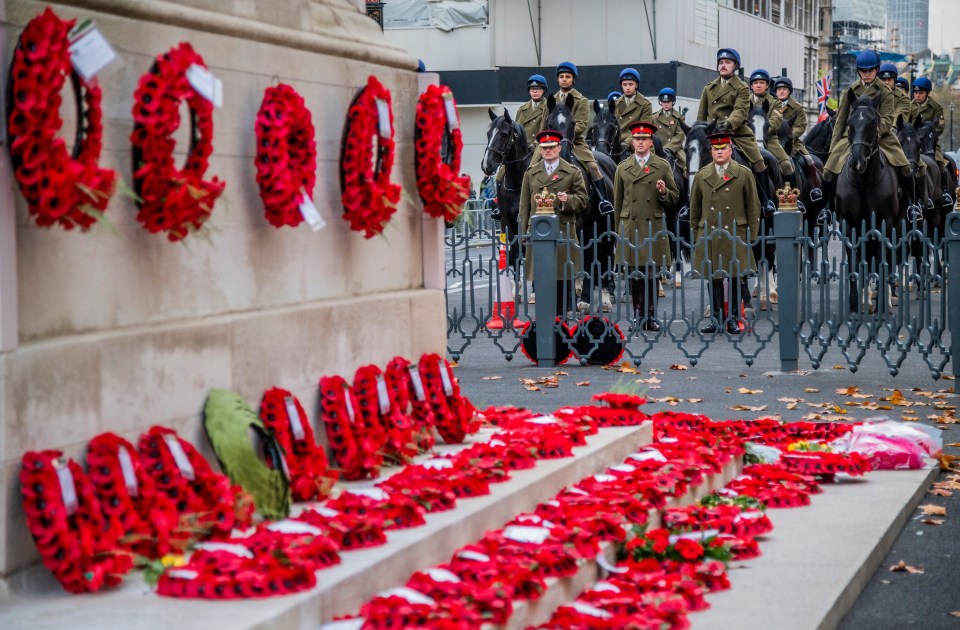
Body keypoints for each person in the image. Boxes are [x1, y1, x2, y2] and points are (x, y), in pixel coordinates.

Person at [822, 50, 913, 214]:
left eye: (870, 70)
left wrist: (876, 133)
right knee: (828, 170)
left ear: (876, 70)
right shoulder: (849, 92)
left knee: (905, 166)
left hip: (881, 136)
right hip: (851, 137)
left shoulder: (885, 91)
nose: (866, 74)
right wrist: (833, 148)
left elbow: (887, 118)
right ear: (859, 71)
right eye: (863, 71)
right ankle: (826, 208)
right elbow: (841, 122)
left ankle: (913, 206)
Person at [690, 131, 760, 335]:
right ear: (711, 152)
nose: (719, 153)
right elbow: (694, 209)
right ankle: (717, 319)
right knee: (714, 277)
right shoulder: (702, 175)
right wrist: (697, 235)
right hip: (710, 233)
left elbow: (753, 207)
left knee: (735, 276)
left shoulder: (743, 173)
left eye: (723, 149)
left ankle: (733, 318)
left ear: (730, 150)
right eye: (715, 149)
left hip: (734, 232)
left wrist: (751, 235)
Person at [613, 122, 680, 331]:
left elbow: (674, 197)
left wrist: (662, 192)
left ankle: (650, 316)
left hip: (653, 225)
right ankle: (636, 314)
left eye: (644, 139)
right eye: (637, 139)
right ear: (632, 142)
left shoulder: (662, 166)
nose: (640, 143)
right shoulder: (623, 168)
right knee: (634, 274)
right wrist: (618, 234)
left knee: (652, 274)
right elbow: (617, 202)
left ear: (651, 143)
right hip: (630, 226)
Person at [518, 130, 589, 316]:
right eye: (544, 148)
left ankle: (563, 319)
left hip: (563, 233)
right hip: (539, 233)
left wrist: (567, 200)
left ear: (559, 148)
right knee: (542, 279)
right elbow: (524, 206)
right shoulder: (531, 173)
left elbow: (583, 200)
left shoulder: (572, 172)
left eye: (551, 147)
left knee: (563, 279)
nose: (548, 151)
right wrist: (524, 232)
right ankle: (545, 320)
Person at [539, 61, 613, 212]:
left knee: (593, 167)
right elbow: (544, 123)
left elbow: (581, 124)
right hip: (550, 143)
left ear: (573, 79)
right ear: (558, 79)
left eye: (567, 76)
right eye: (561, 76)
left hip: (575, 142)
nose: (564, 79)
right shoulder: (551, 100)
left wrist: (564, 136)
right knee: (531, 166)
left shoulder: (582, 100)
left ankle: (604, 202)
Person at [697, 49, 766, 174]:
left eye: (727, 62)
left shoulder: (741, 87)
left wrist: (728, 123)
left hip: (736, 133)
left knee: (759, 163)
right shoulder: (708, 88)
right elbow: (701, 116)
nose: (723, 65)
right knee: (691, 162)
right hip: (711, 134)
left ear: (735, 66)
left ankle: (762, 193)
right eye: (721, 62)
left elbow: (740, 110)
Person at [911, 76, 953, 205]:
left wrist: (928, 134)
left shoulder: (936, 107)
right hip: (912, 141)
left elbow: (940, 127)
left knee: (940, 161)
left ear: (927, 93)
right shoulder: (909, 106)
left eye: (921, 93)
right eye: (916, 92)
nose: (917, 96)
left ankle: (945, 192)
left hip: (930, 142)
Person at [748, 69, 793, 178]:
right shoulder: (744, 102)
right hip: (747, 139)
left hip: (769, 139)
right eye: (755, 83)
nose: (758, 85)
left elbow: (775, 121)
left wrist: (761, 131)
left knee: (787, 165)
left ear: (767, 86)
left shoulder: (776, 103)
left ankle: (791, 192)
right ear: (751, 86)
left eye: (762, 83)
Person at [614, 68, 653, 154]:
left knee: (650, 164)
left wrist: (627, 142)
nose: (627, 87)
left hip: (638, 142)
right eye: (625, 84)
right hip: (617, 144)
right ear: (621, 86)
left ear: (636, 85)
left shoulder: (645, 104)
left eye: (631, 84)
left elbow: (643, 128)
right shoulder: (615, 104)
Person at [652, 88, 687, 175]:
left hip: (675, 149)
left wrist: (669, 148)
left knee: (687, 165)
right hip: (658, 149)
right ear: (661, 102)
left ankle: (689, 187)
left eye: (668, 102)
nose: (666, 104)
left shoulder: (679, 118)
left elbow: (680, 135)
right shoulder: (654, 118)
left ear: (673, 102)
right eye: (664, 102)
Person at [772, 76, 809, 157]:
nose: (781, 91)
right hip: (771, 140)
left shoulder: (797, 107)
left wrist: (789, 136)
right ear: (776, 91)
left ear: (789, 91)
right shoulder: (770, 105)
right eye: (779, 89)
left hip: (792, 141)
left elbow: (800, 126)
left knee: (809, 160)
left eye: (784, 89)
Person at [516, 74, 548, 146]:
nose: (535, 91)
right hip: (523, 149)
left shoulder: (549, 108)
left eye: (538, 88)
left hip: (542, 147)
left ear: (544, 90)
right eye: (532, 89)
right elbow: (516, 131)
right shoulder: (522, 109)